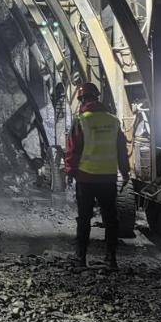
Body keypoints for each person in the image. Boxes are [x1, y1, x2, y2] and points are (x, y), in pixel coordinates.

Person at [64, 82, 129, 269]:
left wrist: (70, 172)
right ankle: (111, 259)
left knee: (84, 218)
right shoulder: (113, 121)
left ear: (82, 100)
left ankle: (81, 259)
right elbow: (122, 150)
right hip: (108, 178)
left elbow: (72, 151)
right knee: (110, 219)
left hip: (86, 178)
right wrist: (124, 172)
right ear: (97, 98)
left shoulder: (81, 121)